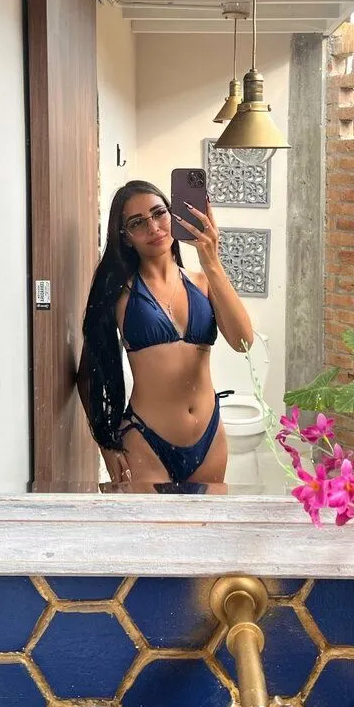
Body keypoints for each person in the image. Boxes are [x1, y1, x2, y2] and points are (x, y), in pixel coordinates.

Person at [77, 179, 254, 486]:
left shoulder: (203, 282)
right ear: (126, 237)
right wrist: (106, 444)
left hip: (210, 437)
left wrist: (212, 261)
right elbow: (88, 375)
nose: (154, 227)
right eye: (137, 223)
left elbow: (244, 343)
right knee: (148, 521)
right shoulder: (118, 292)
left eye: (159, 213)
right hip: (145, 440)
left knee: (207, 519)